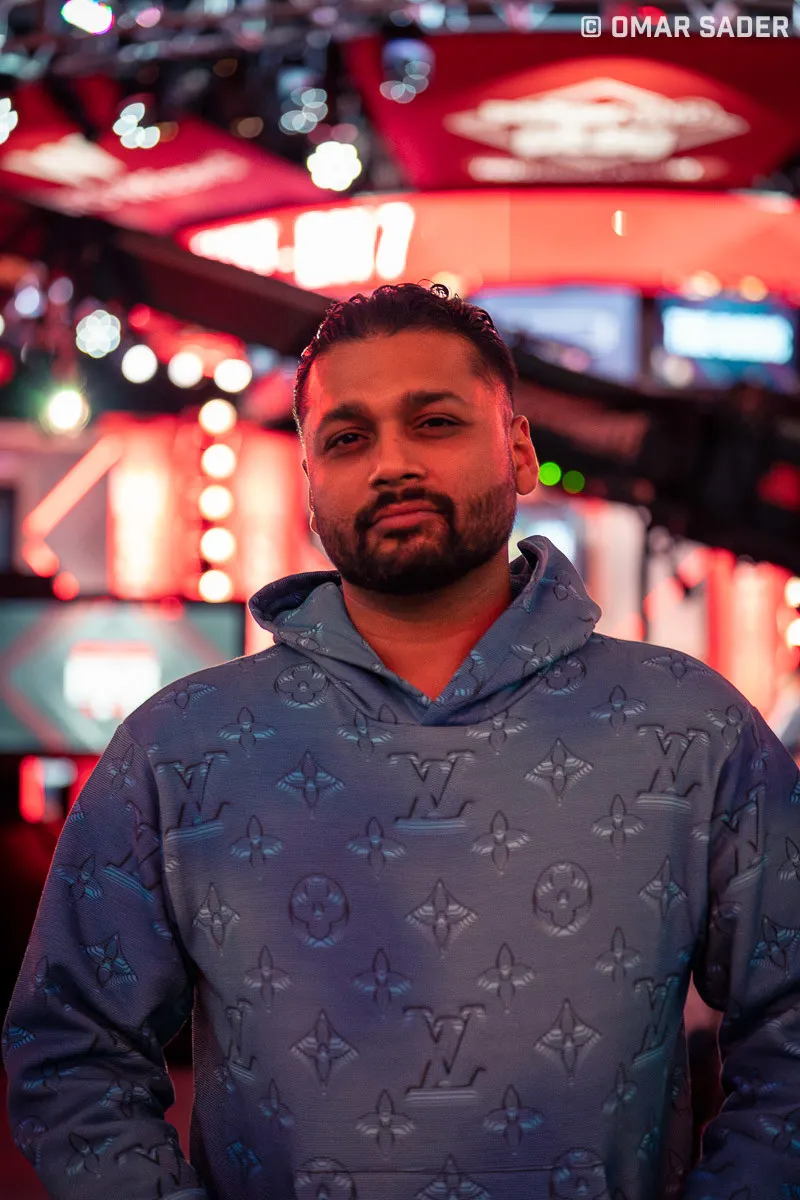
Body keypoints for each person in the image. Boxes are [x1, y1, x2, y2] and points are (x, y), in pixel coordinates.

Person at [4, 281, 800, 1200]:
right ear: (311, 482)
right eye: (348, 438)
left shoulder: (693, 728)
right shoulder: (178, 748)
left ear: (520, 450)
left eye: (435, 423)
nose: (392, 464)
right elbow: (73, 1052)